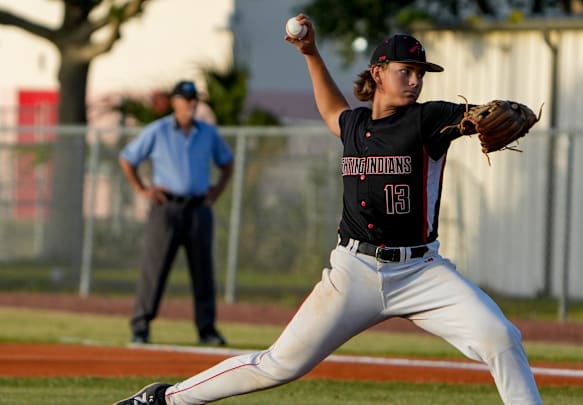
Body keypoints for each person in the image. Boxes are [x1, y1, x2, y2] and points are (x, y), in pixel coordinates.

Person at [114, 15, 541, 405]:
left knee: (501, 337)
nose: (415, 81)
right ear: (377, 73)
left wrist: (492, 113)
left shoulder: (429, 119)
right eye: (405, 71)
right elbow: (329, 106)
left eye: (420, 74)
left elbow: (473, 116)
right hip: (353, 270)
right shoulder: (354, 125)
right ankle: (165, 399)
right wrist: (311, 53)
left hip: (421, 272)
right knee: (278, 365)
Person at [118, 80, 234, 346]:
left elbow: (226, 163)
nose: (191, 104)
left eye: (195, 99)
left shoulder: (207, 133)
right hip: (166, 208)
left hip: (198, 208)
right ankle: (141, 327)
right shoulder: (158, 131)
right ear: (175, 102)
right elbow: (127, 159)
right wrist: (143, 189)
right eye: (186, 99)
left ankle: (207, 330)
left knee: (203, 271)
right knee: (154, 268)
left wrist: (215, 192)